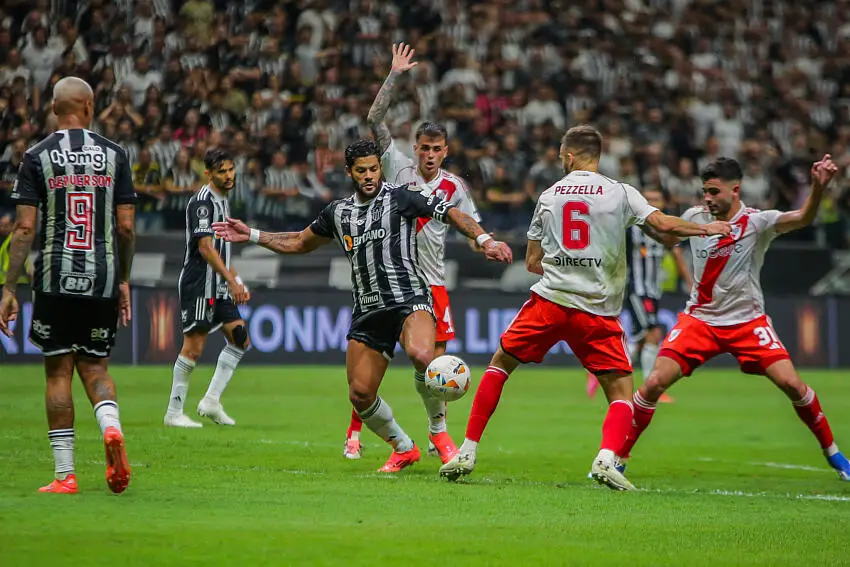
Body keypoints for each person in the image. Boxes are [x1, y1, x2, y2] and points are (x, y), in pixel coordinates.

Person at [438, 125, 731, 490]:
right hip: (596, 310)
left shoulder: (549, 195)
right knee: (622, 392)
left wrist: (566, 264)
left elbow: (532, 262)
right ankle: (607, 459)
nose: (561, 160)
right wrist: (705, 229)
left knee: (501, 364)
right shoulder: (620, 192)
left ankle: (466, 450)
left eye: (562, 155)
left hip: (550, 301)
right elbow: (660, 223)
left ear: (570, 156)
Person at [213, 138, 512, 473]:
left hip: (409, 299)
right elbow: (299, 241)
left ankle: (439, 435)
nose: (369, 175)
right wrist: (253, 235)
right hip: (367, 312)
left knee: (423, 356)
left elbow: (450, 212)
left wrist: (484, 239)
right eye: (361, 170)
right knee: (359, 394)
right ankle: (403, 447)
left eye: (373, 168)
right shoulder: (338, 212)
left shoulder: (401, 198)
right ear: (349, 172)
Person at [616, 156, 850, 481]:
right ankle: (619, 458)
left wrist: (817, 187)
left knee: (793, 384)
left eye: (714, 191)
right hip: (699, 320)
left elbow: (802, 218)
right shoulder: (695, 217)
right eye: (704, 191)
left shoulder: (758, 222)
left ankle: (834, 454)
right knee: (653, 382)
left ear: (735, 190)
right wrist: (640, 220)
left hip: (748, 322)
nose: (707, 198)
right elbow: (668, 239)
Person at [340, 42, 486, 462]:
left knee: (432, 368)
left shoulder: (455, 187)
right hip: (389, 281)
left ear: (445, 152)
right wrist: (395, 74)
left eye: (436, 149)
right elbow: (373, 118)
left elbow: (467, 223)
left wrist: (485, 241)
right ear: (415, 147)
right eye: (423, 147)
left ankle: (437, 435)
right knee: (370, 364)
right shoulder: (395, 165)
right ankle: (358, 432)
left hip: (431, 282)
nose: (428, 155)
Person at [0, 77, 136, 495]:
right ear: (91, 108)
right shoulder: (116, 155)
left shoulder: (37, 155)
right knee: (95, 366)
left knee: (58, 369)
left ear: (54, 108)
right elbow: (126, 227)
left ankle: (66, 475)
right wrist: (124, 278)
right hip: (103, 275)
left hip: (55, 276)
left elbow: (24, 228)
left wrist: (8, 287)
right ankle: (111, 428)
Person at [163, 148, 252, 428]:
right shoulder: (203, 203)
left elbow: (222, 250)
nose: (228, 176)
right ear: (209, 173)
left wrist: (236, 280)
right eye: (222, 171)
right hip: (200, 282)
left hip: (220, 283)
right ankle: (174, 412)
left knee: (240, 338)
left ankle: (211, 401)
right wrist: (229, 279)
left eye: (230, 169)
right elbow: (204, 248)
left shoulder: (223, 202)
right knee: (194, 347)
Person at [586, 187, 692, 401]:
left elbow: (677, 253)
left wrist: (690, 282)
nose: (653, 202)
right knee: (652, 334)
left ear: (663, 202)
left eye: (657, 199)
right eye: (649, 198)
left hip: (654, 290)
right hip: (637, 289)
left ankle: (599, 371)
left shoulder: (664, 228)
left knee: (641, 341)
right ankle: (651, 388)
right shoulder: (633, 226)